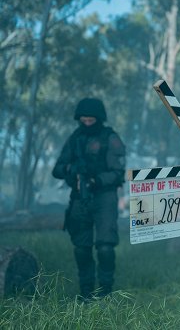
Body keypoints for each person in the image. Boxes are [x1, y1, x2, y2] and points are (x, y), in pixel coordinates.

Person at [52, 98, 126, 300]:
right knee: (81, 248)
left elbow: (118, 172)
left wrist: (97, 180)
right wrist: (70, 170)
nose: (86, 124)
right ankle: (86, 292)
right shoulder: (75, 138)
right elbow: (57, 169)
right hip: (79, 197)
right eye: (83, 120)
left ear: (98, 119)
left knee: (105, 247)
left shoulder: (110, 138)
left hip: (104, 197)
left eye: (90, 120)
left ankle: (105, 292)